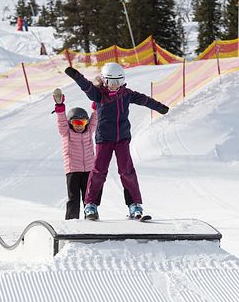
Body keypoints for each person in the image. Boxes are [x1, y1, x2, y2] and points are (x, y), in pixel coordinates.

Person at [64, 62, 169, 220]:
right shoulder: (99, 95)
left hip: (122, 139)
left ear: (123, 81)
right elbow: (87, 87)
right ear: (104, 81)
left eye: (118, 82)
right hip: (104, 139)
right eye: (111, 82)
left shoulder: (126, 94)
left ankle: (134, 205)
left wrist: (159, 107)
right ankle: (91, 205)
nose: (114, 86)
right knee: (99, 172)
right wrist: (77, 76)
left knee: (127, 171)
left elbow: (144, 100)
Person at [53, 88, 97, 219]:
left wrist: (97, 100)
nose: (79, 126)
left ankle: (91, 216)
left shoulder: (89, 131)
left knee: (89, 197)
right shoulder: (66, 133)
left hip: (88, 169)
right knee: (74, 197)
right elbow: (61, 121)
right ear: (70, 123)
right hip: (72, 170)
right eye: (76, 123)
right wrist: (60, 106)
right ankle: (72, 219)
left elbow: (96, 115)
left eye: (82, 122)